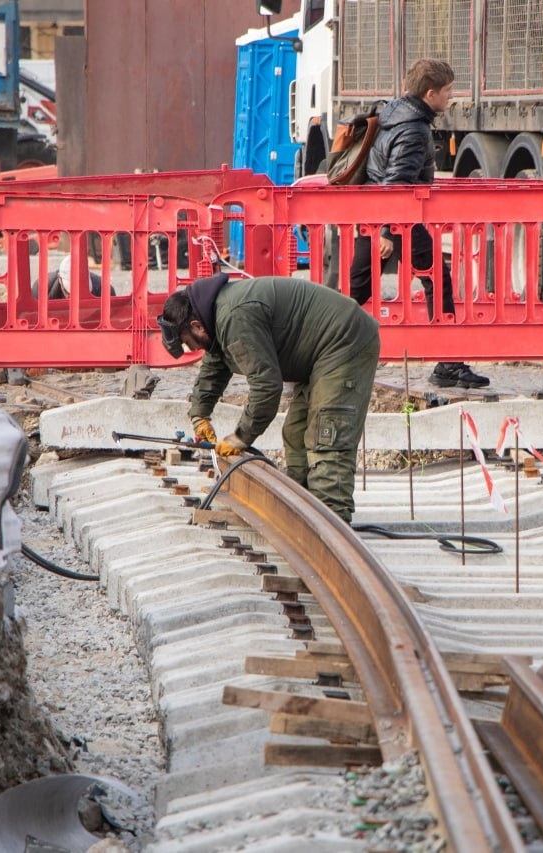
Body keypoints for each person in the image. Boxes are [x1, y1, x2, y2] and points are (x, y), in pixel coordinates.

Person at [159, 272, 381, 522]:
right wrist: (200, 414)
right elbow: (214, 364)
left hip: (344, 340)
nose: (194, 349)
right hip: (319, 353)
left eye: (189, 342)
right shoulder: (214, 316)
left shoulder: (234, 316)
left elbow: (266, 386)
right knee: (296, 432)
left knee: (326, 435)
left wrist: (241, 437)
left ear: (196, 326)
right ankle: (305, 509)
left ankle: (333, 522)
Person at [346, 57, 489, 390]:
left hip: (380, 216)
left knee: (358, 288)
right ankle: (449, 364)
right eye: (447, 91)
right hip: (397, 221)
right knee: (436, 279)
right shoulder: (413, 128)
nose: (451, 97)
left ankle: (314, 352)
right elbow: (397, 183)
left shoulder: (395, 111)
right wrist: (388, 233)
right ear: (430, 94)